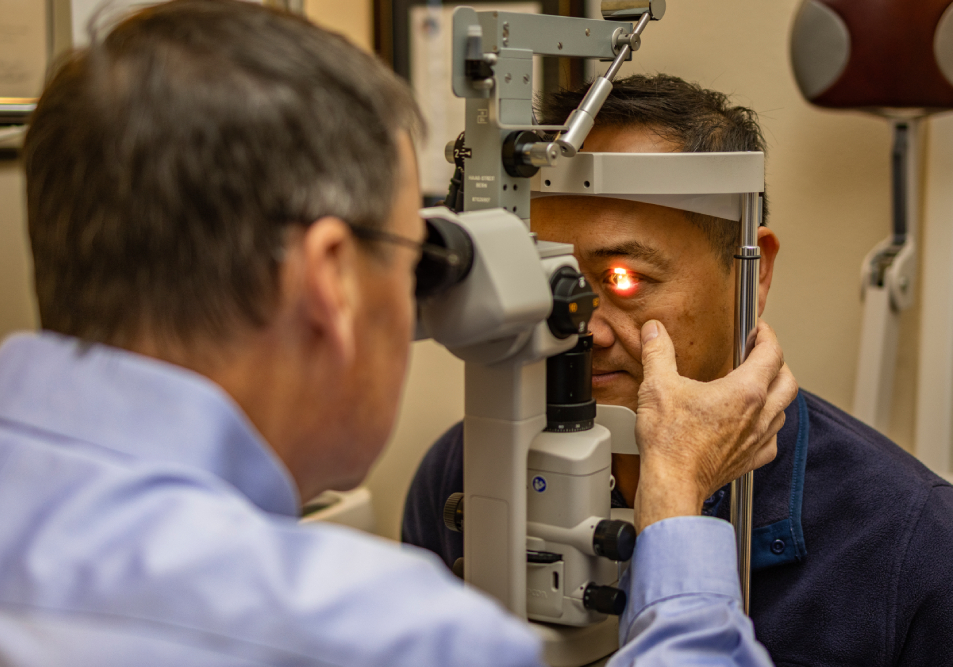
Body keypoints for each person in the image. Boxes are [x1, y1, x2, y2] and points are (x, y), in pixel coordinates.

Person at [0, 4, 796, 665]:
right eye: (411, 258)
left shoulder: (909, 534)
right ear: (329, 279)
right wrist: (679, 509)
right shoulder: (380, 629)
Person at [404, 74, 953, 667]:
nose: (580, 328)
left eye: (625, 279)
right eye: (548, 278)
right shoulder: (461, 474)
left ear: (753, 273)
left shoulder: (910, 543)